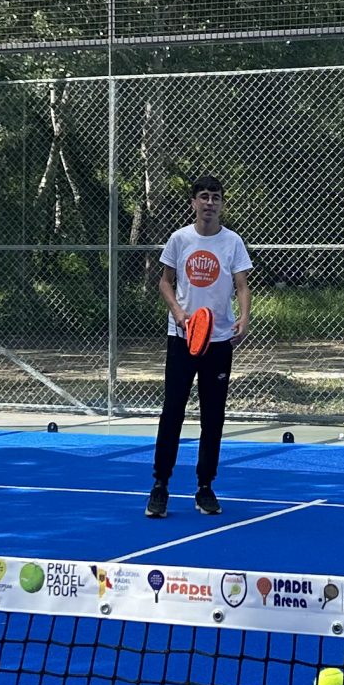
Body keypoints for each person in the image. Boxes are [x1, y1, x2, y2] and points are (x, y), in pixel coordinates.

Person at [148, 176, 252, 519]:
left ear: (222, 204)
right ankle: (160, 486)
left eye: (215, 197)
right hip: (182, 339)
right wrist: (179, 314)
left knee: (213, 415)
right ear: (193, 202)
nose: (209, 203)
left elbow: (242, 285)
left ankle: (205, 487)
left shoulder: (232, 242)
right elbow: (165, 282)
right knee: (172, 411)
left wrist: (244, 318)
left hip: (219, 341)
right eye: (204, 197)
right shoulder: (180, 239)